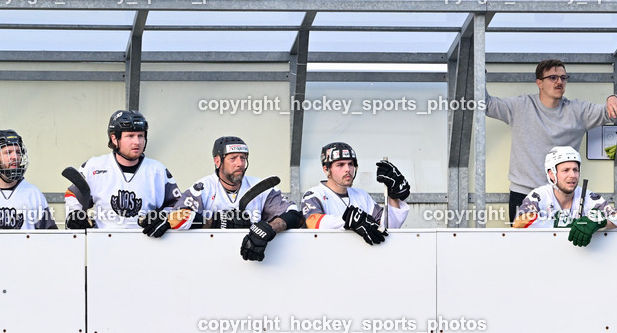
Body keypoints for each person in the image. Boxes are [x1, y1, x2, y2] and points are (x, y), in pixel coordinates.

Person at [486, 58, 617, 222]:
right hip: (524, 194)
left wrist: (613, 97)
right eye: (553, 78)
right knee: (524, 246)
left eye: (563, 78)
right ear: (540, 83)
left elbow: (611, 111)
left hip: (563, 196)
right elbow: (486, 105)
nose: (559, 82)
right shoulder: (520, 106)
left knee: (566, 245)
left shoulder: (578, 111)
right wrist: (480, 77)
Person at [171, 136, 303, 261]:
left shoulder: (262, 187)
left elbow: (294, 215)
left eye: (243, 158)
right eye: (233, 158)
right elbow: (176, 218)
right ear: (218, 161)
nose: (240, 164)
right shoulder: (203, 187)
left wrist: (269, 228)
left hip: (253, 263)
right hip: (210, 261)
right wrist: (214, 223)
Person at [64, 109, 180, 233]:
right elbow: (73, 195)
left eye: (140, 136)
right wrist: (74, 213)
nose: (137, 142)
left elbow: (178, 206)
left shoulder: (158, 171)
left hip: (146, 245)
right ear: (114, 138)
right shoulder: (94, 167)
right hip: (102, 244)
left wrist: (164, 217)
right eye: (130, 136)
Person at [513, 146, 617, 247]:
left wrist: (601, 222)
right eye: (566, 170)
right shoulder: (539, 195)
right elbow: (519, 222)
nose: (573, 175)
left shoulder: (589, 197)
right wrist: (566, 223)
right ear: (552, 174)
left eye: (575, 170)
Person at [301, 142, 410, 245]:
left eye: (351, 164)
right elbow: (312, 223)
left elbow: (386, 228)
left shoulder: (362, 195)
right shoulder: (314, 194)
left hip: (362, 259)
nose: (347, 169)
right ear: (326, 169)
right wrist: (348, 221)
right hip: (328, 258)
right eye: (340, 165)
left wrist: (393, 197)